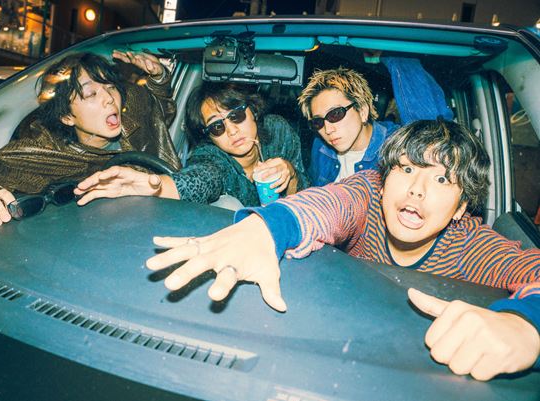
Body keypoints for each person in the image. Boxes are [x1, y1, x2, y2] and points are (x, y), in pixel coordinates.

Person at [144, 119, 540, 381]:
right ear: (384, 181)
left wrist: (525, 324)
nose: (417, 190)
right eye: (406, 169)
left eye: (441, 179)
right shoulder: (368, 194)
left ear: (460, 208)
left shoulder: (471, 244)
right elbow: (331, 203)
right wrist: (268, 227)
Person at [0, 51, 181, 227]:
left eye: (110, 87)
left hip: (174, 209)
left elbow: (158, 108)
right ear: (67, 117)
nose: (109, 98)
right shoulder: (47, 151)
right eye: (91, 93)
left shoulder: (132, 108)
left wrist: (159, 78)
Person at [74, 82, 310, 209]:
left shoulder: (278, 131)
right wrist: (155, 187)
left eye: (236, 116)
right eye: (216, 127)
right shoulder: (212, 157)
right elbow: (200, 178)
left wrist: (290, 174)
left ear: (253, 110)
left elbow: (308, 196)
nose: (231, 130)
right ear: (209, 136)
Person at [300, 56, 454, 186]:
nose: (327, 130)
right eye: (318, 122)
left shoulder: (396, 145)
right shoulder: (321, 148)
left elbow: (434, 131)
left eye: (335, 114)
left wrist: (387, 52)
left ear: (362, 111)